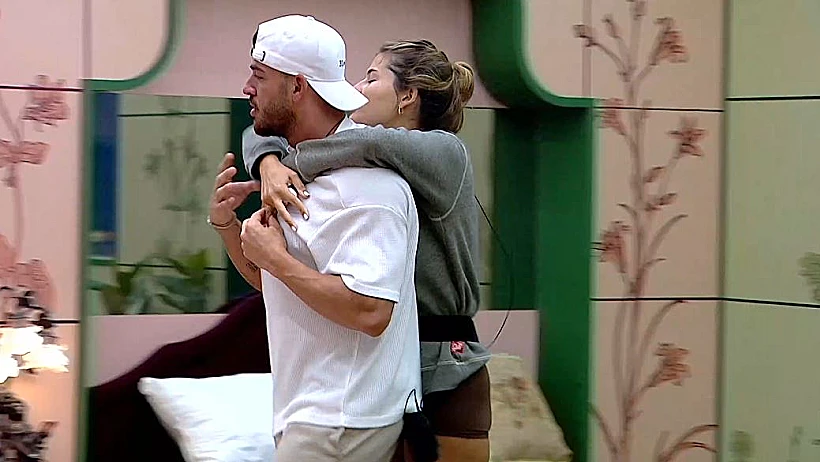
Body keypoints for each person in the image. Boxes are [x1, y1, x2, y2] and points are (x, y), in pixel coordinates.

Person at [242, 40, 491, 462]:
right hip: (387, 365)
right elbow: (260, 130)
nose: (356, 88)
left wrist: (286, 164)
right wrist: (268, 161)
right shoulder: (368, 162)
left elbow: (368, 145)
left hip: (444, 363)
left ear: (408, 96)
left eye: (371, 78)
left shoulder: (445, 152)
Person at [207, 15, 422, 462]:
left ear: (298, 87)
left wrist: (277, 259)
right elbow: (280, 286)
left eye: (259, 75)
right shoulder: (300, 170)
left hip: (342, 423)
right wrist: (228, 227)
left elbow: (371, 311)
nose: (247, 87)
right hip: (313, 416)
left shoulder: (370, 188)